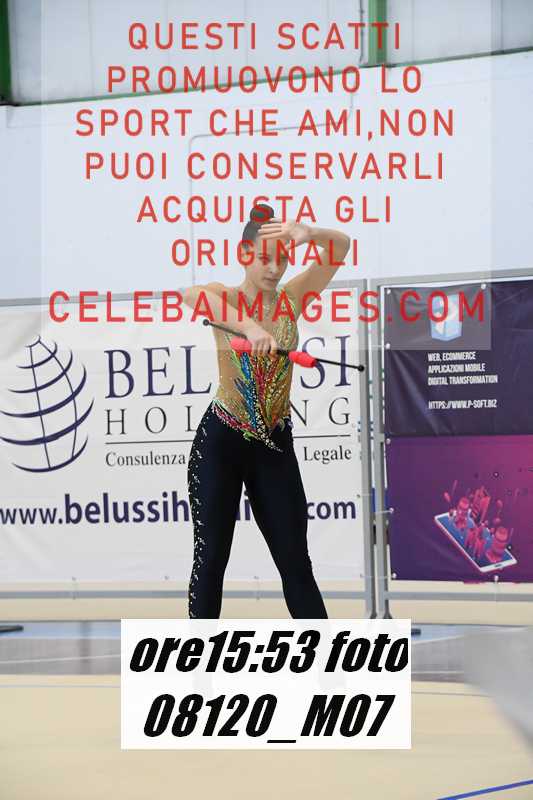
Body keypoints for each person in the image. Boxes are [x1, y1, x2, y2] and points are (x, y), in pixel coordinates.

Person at [183, 204, 351, 618]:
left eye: (282, 258)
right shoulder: (226, 297)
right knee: (211, 561)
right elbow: (191, 296)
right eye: (264, 258)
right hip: (221, 442)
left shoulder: (292, 298)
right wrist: (248, 327)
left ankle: (326, 657)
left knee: (296, 563)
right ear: (244, 254)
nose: (274, 268)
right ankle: (196, 657)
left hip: (273, 445)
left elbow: (341, 246)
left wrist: (309, 233)